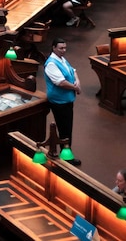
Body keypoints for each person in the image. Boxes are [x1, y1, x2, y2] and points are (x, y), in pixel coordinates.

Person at [43, 38, 82, 166]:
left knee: (68, 128)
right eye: (61, 48)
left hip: (67, 100)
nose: (64, 50)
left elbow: (73, 70)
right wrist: (75, 87)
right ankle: (66, 157)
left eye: (65, 48)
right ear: (54, 48)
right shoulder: (51, 64)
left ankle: (67, 153)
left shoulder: (61, 59)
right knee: (64, 129)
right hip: (59, 102)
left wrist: (77, 81)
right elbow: (60, 82)